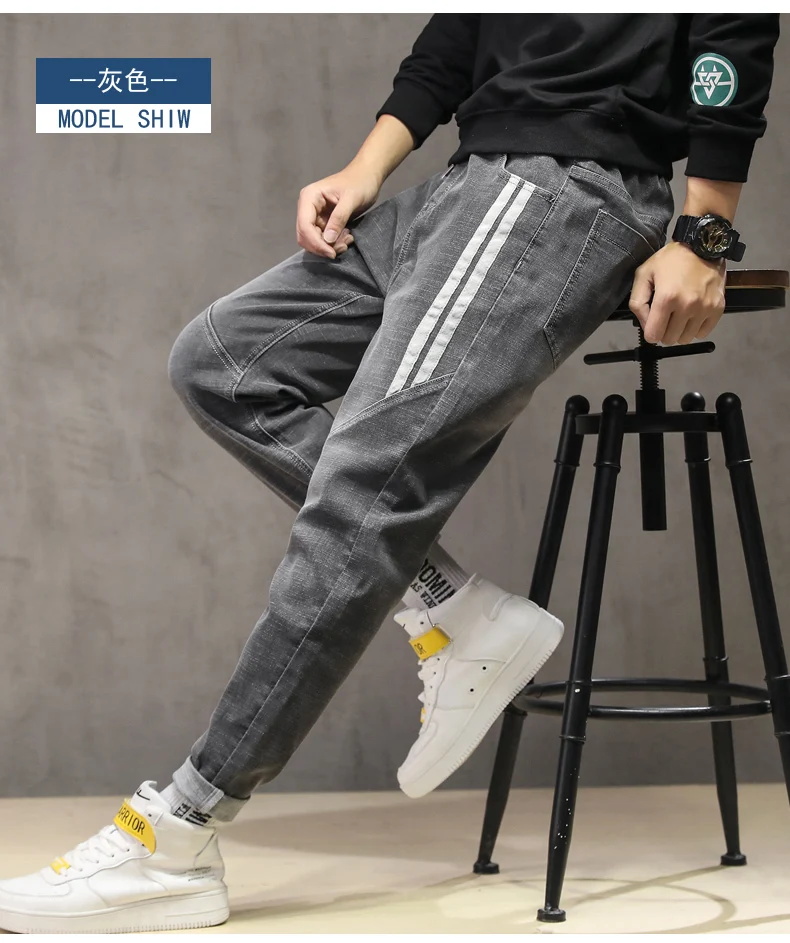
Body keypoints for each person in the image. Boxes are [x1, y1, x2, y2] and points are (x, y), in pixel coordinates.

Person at [0, 13, 779, 934]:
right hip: (461, 183)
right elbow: (456, 37)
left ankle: (180, 832)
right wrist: (366, 166)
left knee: (361, 495)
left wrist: (704, 232)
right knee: (223, 363)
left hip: (561, 187)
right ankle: (453, 608)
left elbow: (733, 36)